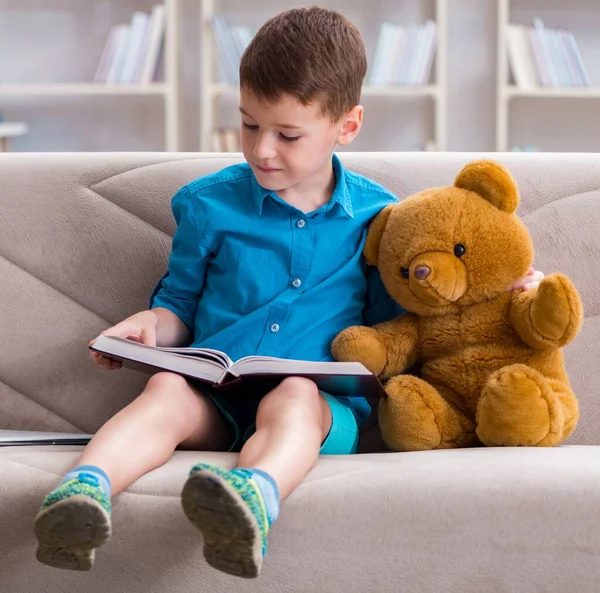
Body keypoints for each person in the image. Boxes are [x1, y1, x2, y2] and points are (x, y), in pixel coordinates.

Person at [33, 6, 543, 579]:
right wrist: (149, 328)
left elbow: (402, 321)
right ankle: (82, 492)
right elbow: (177, 306)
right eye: (249, 124)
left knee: (295, 394)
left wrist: (511, 288)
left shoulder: (381, 219)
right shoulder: (208, 205)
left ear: (346, 126)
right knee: (165, 387)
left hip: (318, 408)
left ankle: (251, 501)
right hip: (217, 398)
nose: (262, 150)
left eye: (287, 134)